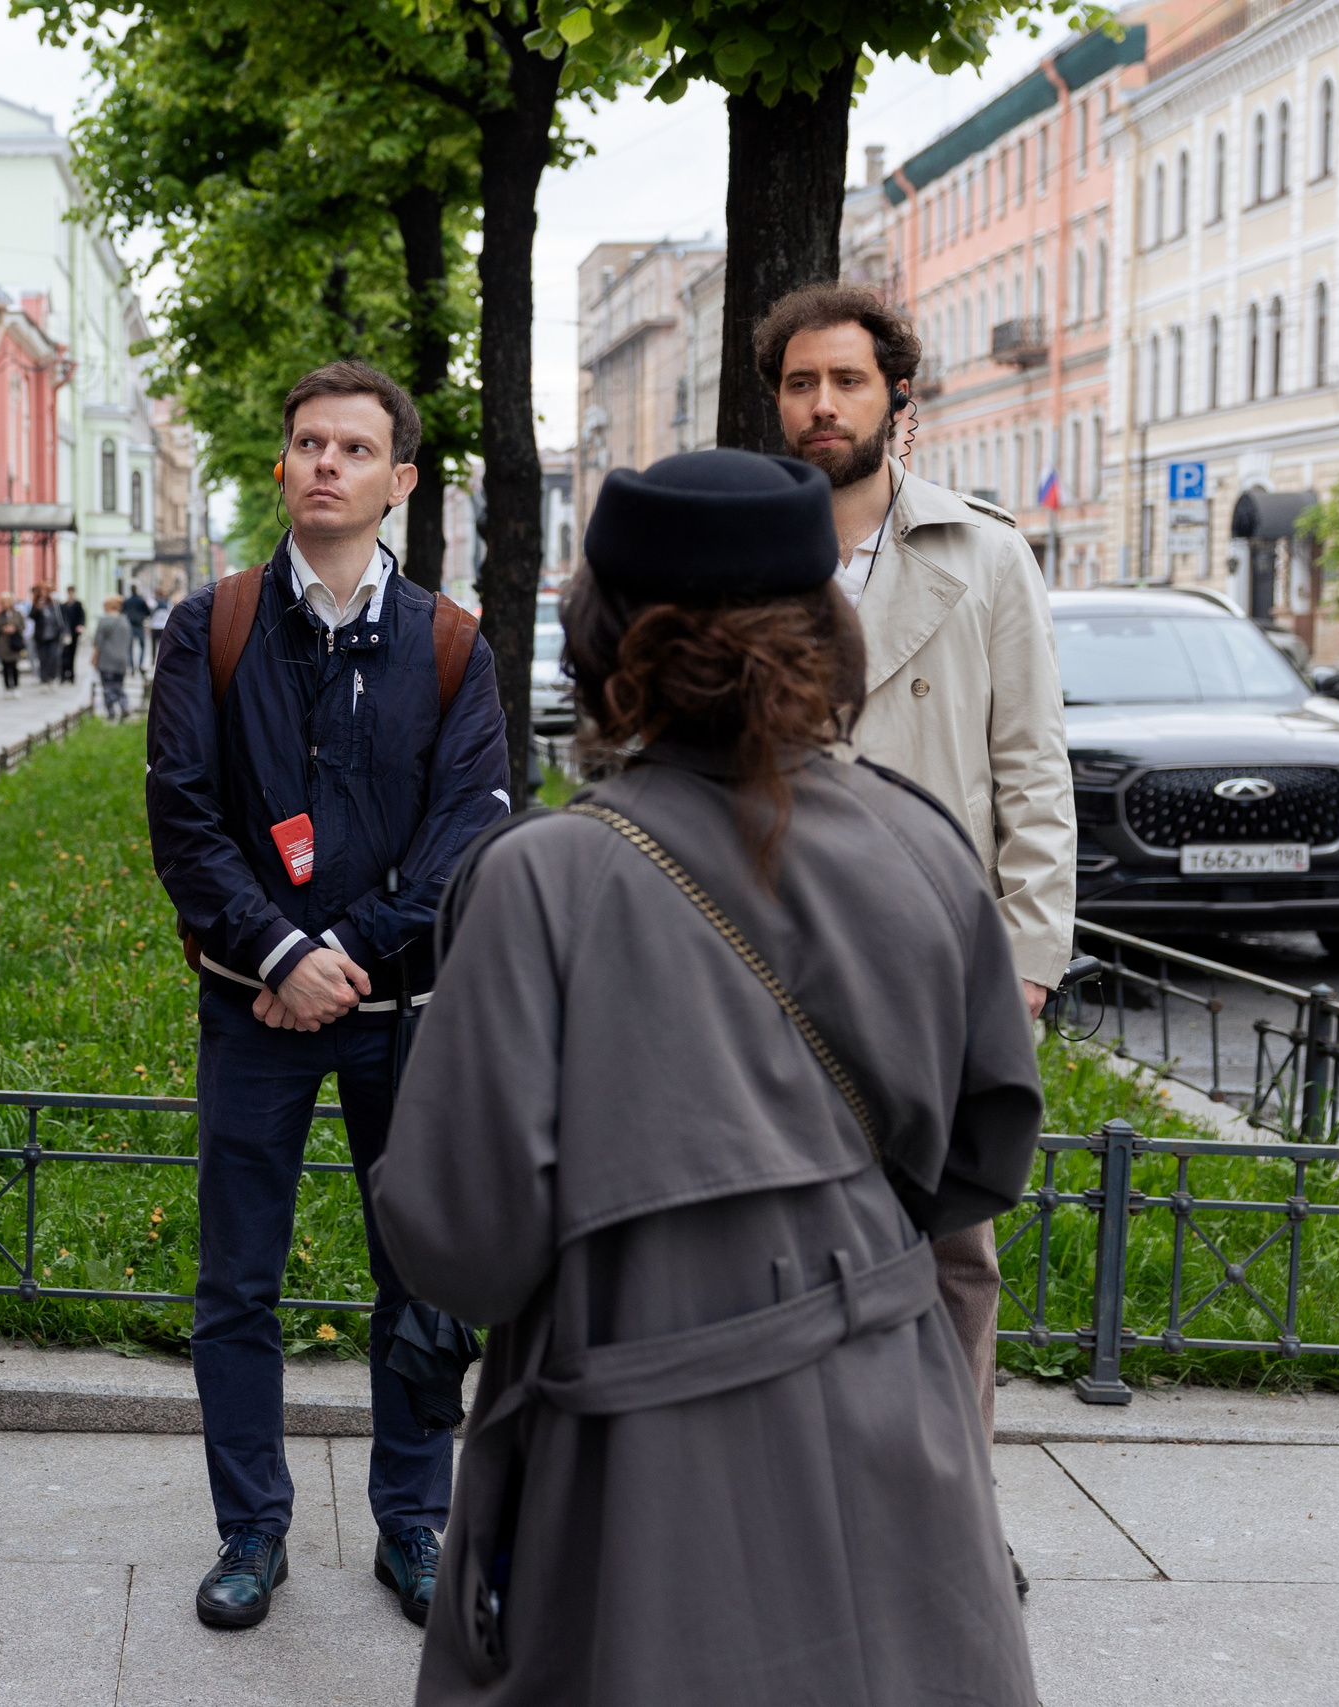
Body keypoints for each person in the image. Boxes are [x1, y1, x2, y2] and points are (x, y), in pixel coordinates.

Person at [372, 448, 1044, 1706]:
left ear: (603, 637)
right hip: (898, 1447)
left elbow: (463, 1242)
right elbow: (981, 1157)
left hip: (640, 1476)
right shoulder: (922, 845)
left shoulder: (539, 881)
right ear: (827, 632)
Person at [146, 361, 511, 1630]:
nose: (324, 465)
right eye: (306, 443)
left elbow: (467, 835)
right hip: (253, 1014)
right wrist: (280, 957)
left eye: (353, 449)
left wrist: (343, 947)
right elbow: (185, 824)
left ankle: (413, 1527)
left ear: (397, 481)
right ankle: (251, 1530)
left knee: (417, 1281)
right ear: (283, 462)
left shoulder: (452, 642)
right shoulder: (214, 625)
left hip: (406, 1019)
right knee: (237, 1283)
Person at [758, 282, 1076, 1443]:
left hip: (938, 962)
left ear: (897, 397)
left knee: (951, 1253)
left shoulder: (983, 553)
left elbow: (1033, 769)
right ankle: (803, 1503)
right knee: (780, 1245)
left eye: (846, 380)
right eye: (800, 384)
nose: (822, 404)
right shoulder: (746, 558)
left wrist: (1030, 961)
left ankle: (950, 1513)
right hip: (774, 954)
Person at [90, 594, 133, 719]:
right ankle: (124, 706)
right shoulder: (125, 621)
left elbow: (98, 642)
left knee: (108, 687)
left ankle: (111, 712)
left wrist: (94, 658)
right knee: (118, 685)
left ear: (108, 606)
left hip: (106, 660)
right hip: (122, 660)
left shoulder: (104, 621)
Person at [30, 579, 69, 690]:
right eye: (41, 591)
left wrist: (65, 632)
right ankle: (44, 680)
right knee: (42, 659)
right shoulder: (36, 604)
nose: (43, 593)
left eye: (45, 591)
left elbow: (61, 619)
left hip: (54, 636)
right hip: (41, 637)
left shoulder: (55, 604)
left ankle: (52, 678)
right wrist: (38, 608)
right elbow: (31, 616)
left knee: (53, 657)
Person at [0, 594, 28, 693]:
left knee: (14, 666)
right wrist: (3, 629)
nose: (6, 604)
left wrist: (14, 629)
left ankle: (16, 686)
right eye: (3, 602)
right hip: (3, 644)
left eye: (7, 602)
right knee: (5, 667)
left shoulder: (17, 614)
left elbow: (23, 626)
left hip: (14, 644)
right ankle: (7, 687)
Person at [60, 585, 88, 683]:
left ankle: (71, 675)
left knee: (72, 654)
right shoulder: (63, 605)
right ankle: (63, 675)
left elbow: (82, 616)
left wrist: (81, 625)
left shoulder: (78, 604)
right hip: (66, 633)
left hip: (74, 633)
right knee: (64, 655)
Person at [124, 585, 152, 670]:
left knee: (129, 647)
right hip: (139, 625)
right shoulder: (141, 601)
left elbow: (122, 612)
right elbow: (148, 612)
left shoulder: (127, 601)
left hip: (130, 625)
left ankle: (131, 666)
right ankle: (140, 665)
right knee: (143, 646)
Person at [145, 589, 173, 667]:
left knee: (153, 645)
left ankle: (153, 659)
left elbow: (150, 614)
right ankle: (162, 659)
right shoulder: (167, 604)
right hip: (163, 626)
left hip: (154, 626)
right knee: (163, 646)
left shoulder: (154, 603)